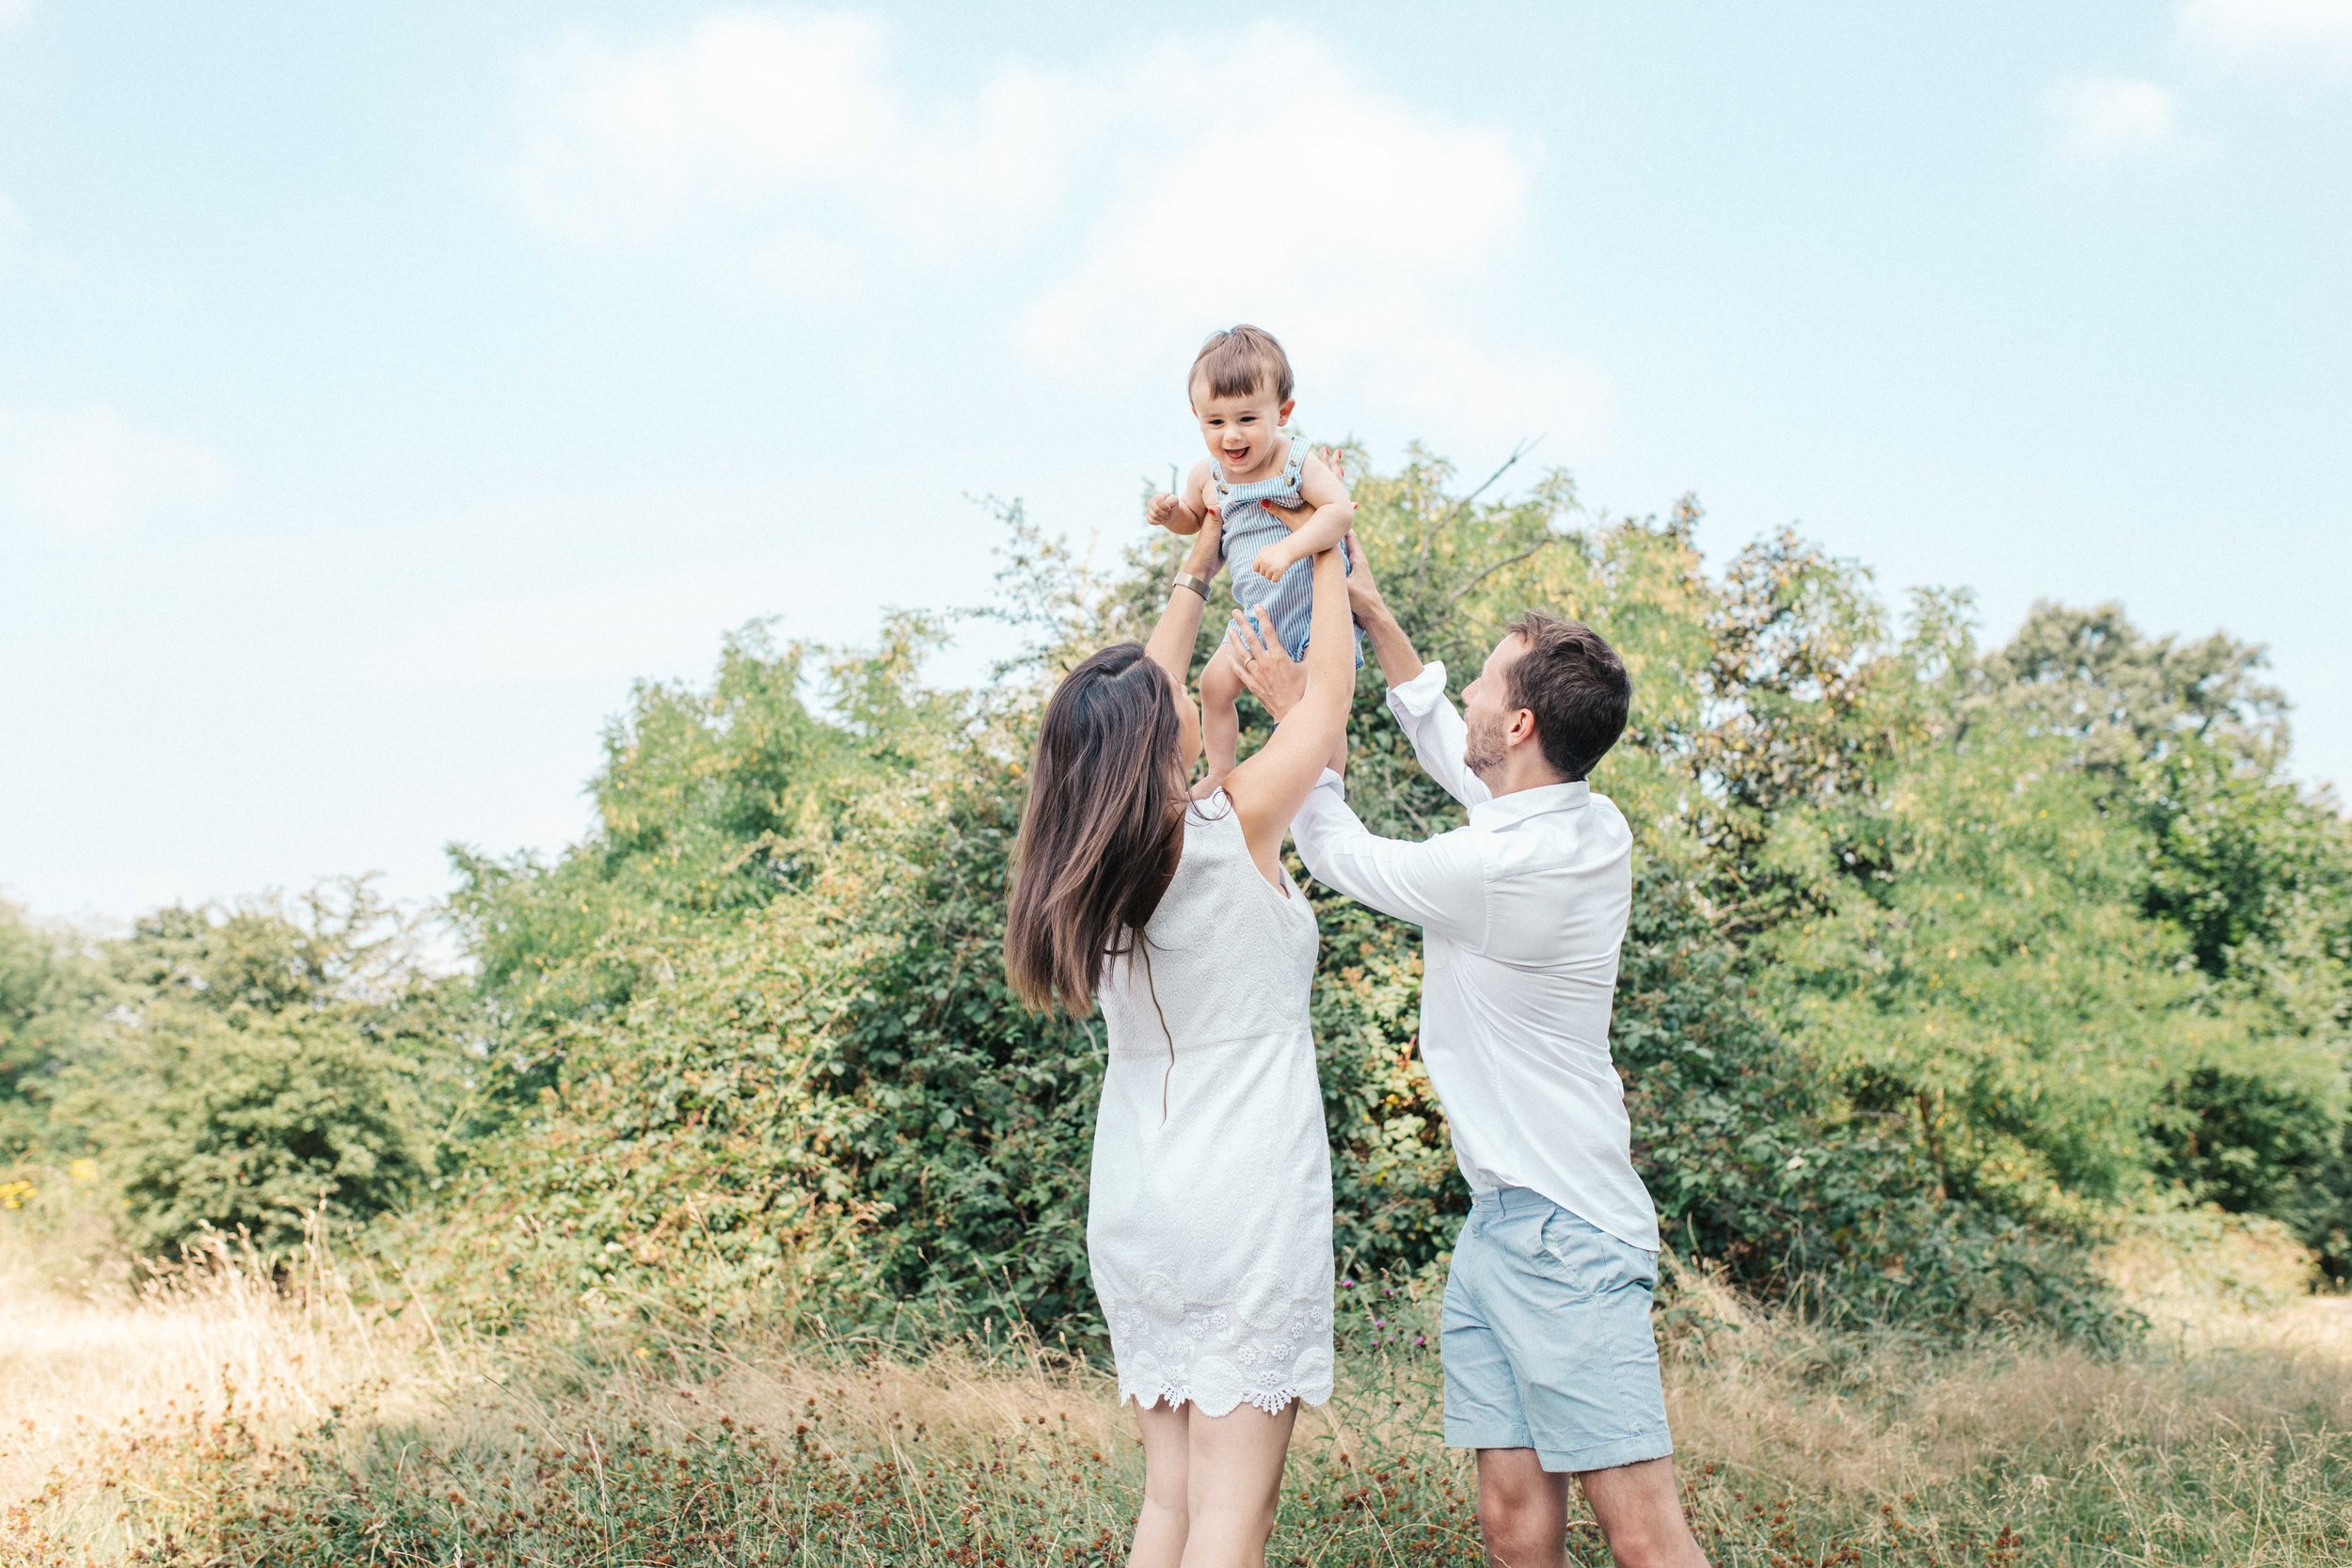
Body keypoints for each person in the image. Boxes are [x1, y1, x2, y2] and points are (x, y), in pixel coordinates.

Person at [1230, 535, 1711, 1568]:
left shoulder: (1502, 865)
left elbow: (1337, 850)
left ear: (1523, 723)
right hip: (1501, 1224)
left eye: (1488, 680)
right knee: (1509, 1519)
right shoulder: (1581, 817)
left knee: (1643, 1534)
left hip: (1568, 1233)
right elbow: (1458, 748)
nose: (1475, 694)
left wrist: (1300, 725)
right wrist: (1375, 616)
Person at [1003, 503, 1357, 1568]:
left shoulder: (1088, 874)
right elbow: (1327, 702)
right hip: (1241, 1196)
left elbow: (1134, 707)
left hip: (1139, 1198)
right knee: (1232, 1516)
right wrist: (1324, 544)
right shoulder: (1228, 825)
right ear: (1157, 743)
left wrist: (1200, 564)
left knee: (1169, 1503)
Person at [1144, 325, 1358, 800]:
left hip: (1311, 612)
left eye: (1246, 418)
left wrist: (1290, 548)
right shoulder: (1207, 475)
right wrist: (1171, 515)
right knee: (1213, 684)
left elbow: (1339, 511)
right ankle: (1221, 769)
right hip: (1259, 615)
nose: (1231, 435)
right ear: (1197, 417)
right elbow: (1195, 521)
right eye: (1215, 422)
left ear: (1282, 413)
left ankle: (1330, 786)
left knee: (1322, 702)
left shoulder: (1294, 462)